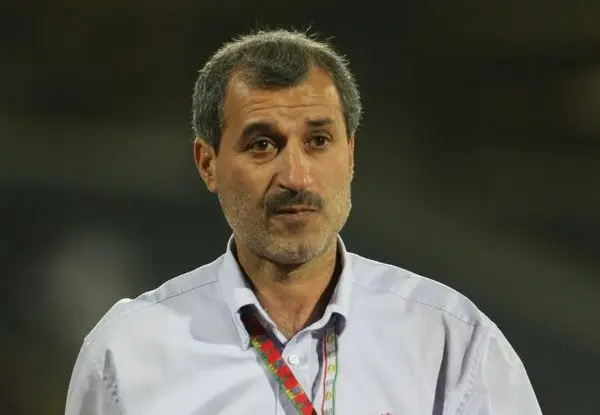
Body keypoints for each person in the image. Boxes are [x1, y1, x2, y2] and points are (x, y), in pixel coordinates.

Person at [65, 29, 542, 415]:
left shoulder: (451, 343)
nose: (295, 177)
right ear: (207, 164)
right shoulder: (127, 353)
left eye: (317, 141)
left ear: (350, 155)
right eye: (262, 145)